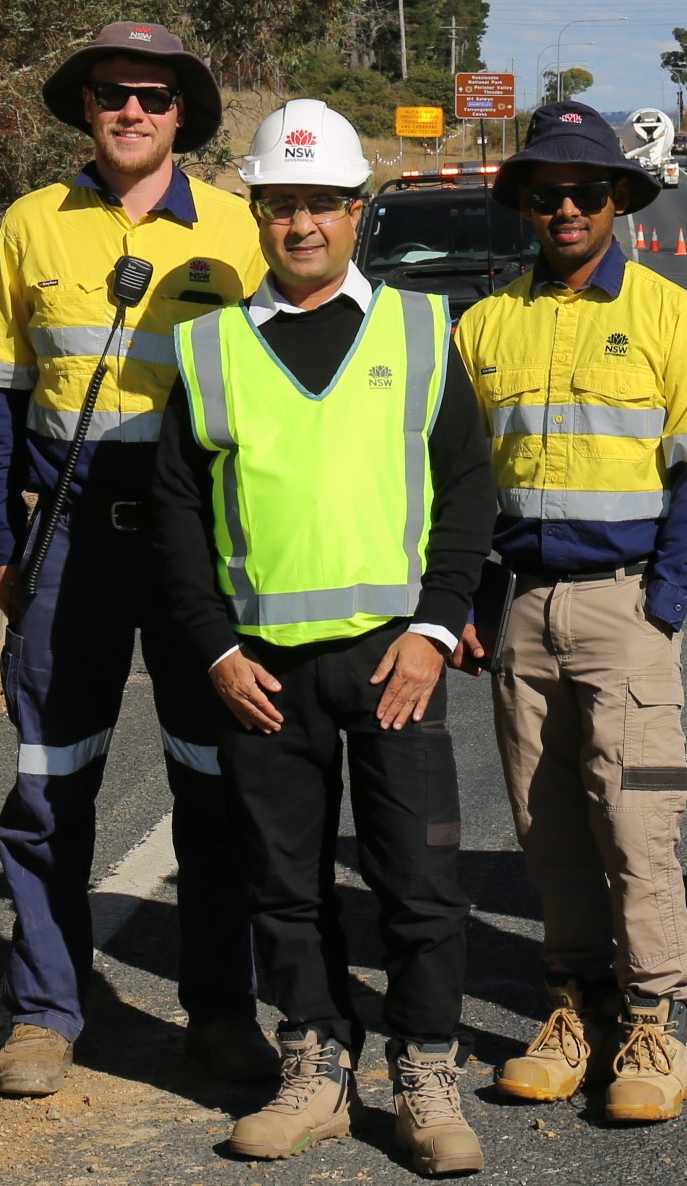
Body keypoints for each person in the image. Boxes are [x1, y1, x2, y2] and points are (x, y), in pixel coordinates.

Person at [155, 101, 496, 1177]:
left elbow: (469, 491)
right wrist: (214, 648)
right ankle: (315, 1065)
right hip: (262, 670)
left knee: (419, 879)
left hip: (394, 661)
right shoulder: (206, 348)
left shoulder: (419, 329)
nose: (300, 224)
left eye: (321, 205)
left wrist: (437, 629)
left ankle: (427, 1071)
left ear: (357, 212)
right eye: (280, 205)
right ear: (256, 213)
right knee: (283, 883)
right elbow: (175, 512)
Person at [0, 22, 273, 1097]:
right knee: (51, 783)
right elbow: (0, 395)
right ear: (85, 106)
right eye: (111, 94)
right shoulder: (31, 224)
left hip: (201, 558)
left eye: (153, 96)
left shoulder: (245, 230)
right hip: (71, 552)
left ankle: (222, 1012)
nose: (132, 112)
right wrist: (4, 546)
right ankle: (48, 1011)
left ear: (183, 111)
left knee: (213, 785)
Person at [451, 102, 687, 1122]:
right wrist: (476, 604)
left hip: (627, 612)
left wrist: (663, 609)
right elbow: (464, 487)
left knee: (637, 822)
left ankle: (658, 1025)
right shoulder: (484, 326)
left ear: (620, 197)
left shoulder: (671, 316)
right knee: (547, 830)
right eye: (546, 191)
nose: (565, 205)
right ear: (524, 201)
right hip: (522, 612)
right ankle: (574, 1009)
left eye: (586, 189)